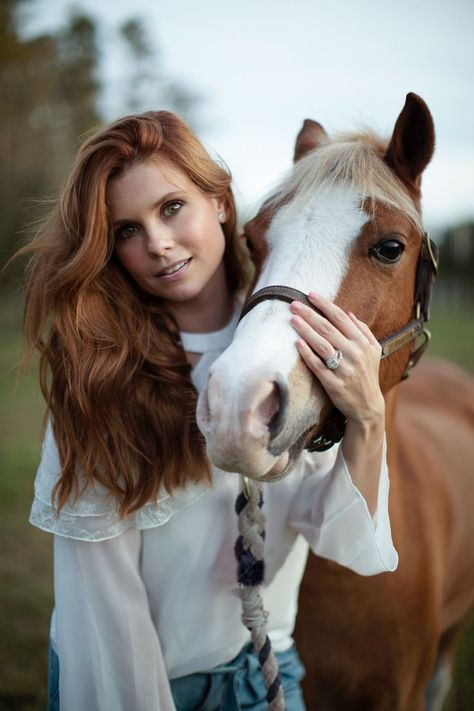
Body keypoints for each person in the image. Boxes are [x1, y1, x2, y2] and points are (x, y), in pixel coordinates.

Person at [23, 110, 398, 711]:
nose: (157, 244)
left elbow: (340, 538)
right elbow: (104, 605)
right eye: (125, 230)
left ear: (220, 202)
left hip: (264, 676)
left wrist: (368, 419)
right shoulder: (97, 374)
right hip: (137, 685)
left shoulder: (287, 357)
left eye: (172, 208)